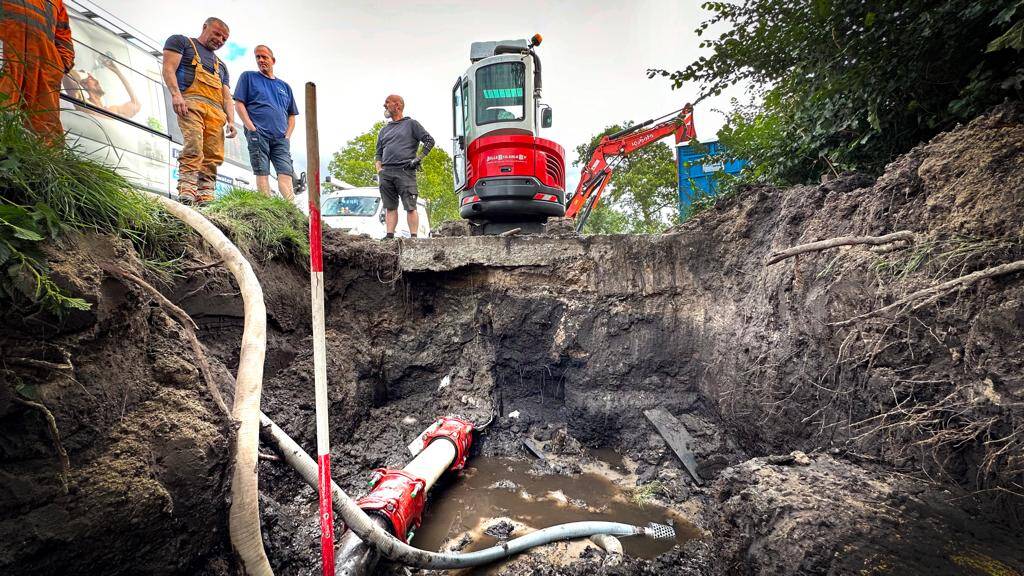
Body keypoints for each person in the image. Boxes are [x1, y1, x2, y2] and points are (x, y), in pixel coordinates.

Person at [161, 17, 236, 205]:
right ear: (205, 27)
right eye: (217, 34)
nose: (220, 40)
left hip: (216, 114)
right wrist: (176, 95)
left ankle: (205, 195)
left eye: (224, 39)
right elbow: (168, 68)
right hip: (191, 104)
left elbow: (227, 96)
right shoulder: (181, 43)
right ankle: (187, 189)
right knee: (193, 145)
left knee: (213, 155)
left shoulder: (222, 66)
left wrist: (232, 121)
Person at [0, 0, 75, 139]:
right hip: (8, 58)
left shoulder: (57, 2)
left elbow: (64, 39)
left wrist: (56, 67)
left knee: (42, 132)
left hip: (42, 74)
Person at [233, 45, 298, 200]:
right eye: (257, 57)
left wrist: (287, 136)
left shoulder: (284, 87)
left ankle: (291, 209)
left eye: (264, 57)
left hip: (280, 138)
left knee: (285, 172)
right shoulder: (248, 77)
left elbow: (292, 116)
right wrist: (251, 127)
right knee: (262, 172)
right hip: (258, 134)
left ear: (273, 60)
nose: (261, 60)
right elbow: (239, 103)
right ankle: (267, 206)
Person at [374, 94, 434, 238]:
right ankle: (389, 236)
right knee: (390, 206)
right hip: (386, 172)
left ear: (397, 105)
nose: (384, 105)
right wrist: (379, 170)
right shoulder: (384, 130)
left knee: (410, 206)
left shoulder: (411, 124)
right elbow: (378, 153)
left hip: (405, 170)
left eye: (387, 102)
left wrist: (418, 158)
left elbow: (429, 141)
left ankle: (414, 237)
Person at [63, 57, 141, 118]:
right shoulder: (83, 102)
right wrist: (85, 75)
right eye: (91, 79)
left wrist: (117, 72)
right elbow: (68, 78)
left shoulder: (113, 109)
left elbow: (136, 104)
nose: (97, 81)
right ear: (84, 84)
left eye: (95, 79)